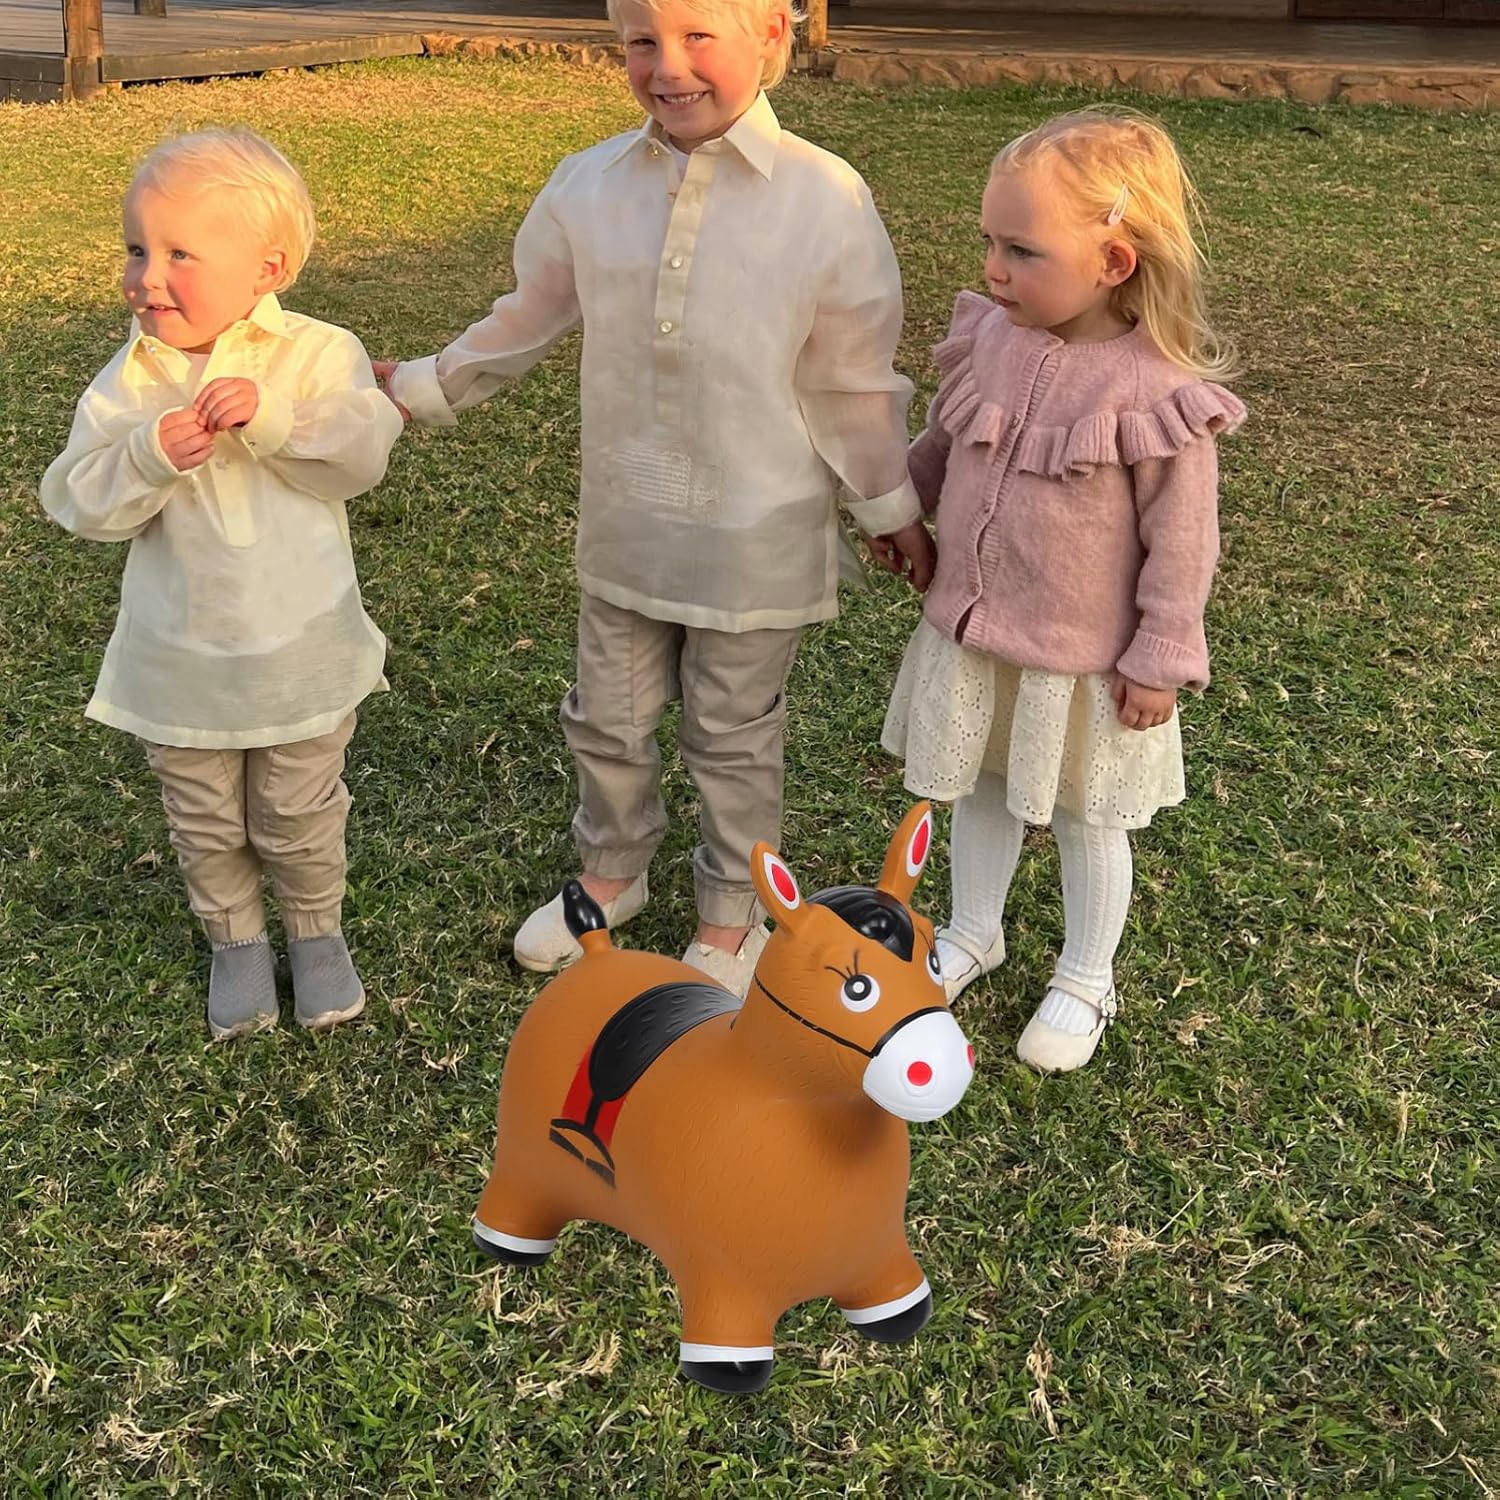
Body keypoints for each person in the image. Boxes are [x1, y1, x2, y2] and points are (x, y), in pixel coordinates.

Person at [378, 0, 932, 997]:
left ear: (773, 36)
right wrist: (426, 385)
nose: (667, 68)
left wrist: (887, 507)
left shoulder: (825, 197)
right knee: (608, 716)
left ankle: (732, 916)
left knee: (732, 733)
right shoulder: (589, 183)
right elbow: (528, 314)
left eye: (696, 37)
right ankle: (612, 870)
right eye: (642, 41)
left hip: (755, 531)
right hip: (628, 520)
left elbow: (852, 378)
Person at [882, 108, 1246, 1072]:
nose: (993, 270)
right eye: (989, 243)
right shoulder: (995, 339)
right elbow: (947, 437)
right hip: (976, 630)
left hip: (1085, 658)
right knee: (982, 786)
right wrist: (903, 507)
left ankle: (1087, 975)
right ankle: (974, 932)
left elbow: (1184, 544)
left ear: (1114, 262)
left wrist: (1161, 655)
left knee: (1091, 816)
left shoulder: (1156, 391)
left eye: (1021, 250)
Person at [41, 128, 403, 1039]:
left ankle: (316, 933)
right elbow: (76, 499)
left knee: (297, 812)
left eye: (178, 255)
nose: (145, 278)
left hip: (300, 651)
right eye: (136, 249)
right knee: (204, 819)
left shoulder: (317, 353)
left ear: (266, 269)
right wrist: (145, 454)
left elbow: (360, 453)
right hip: (181, 660)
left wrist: (273, 419)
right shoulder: (131, 378)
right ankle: (236, 942)